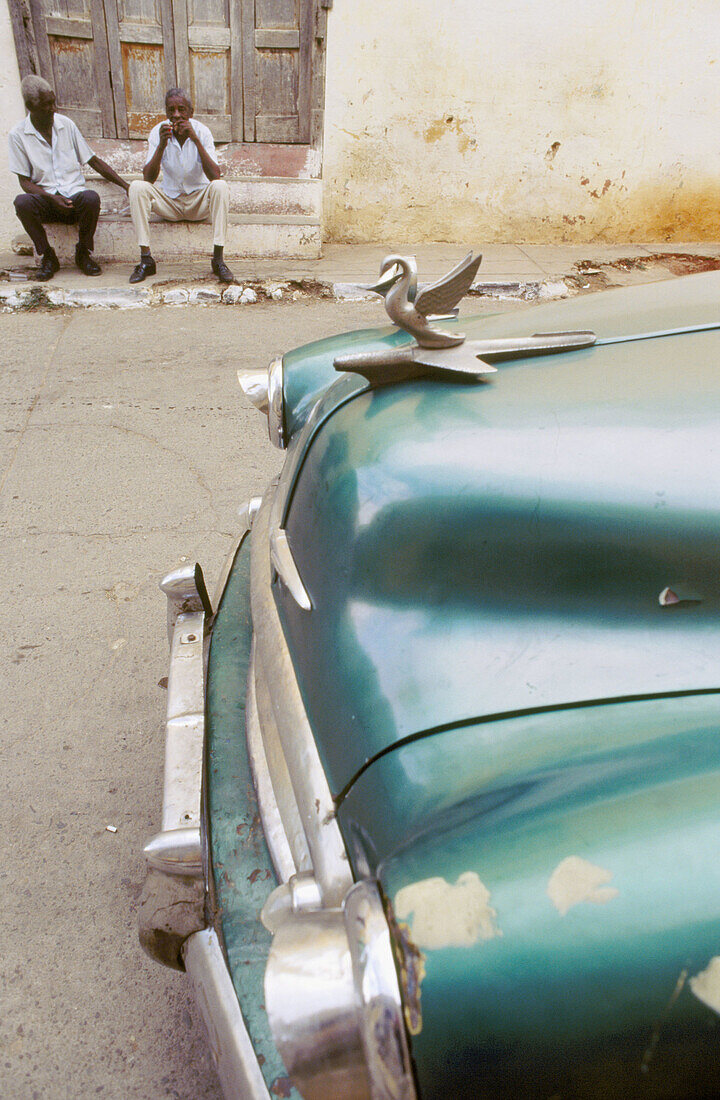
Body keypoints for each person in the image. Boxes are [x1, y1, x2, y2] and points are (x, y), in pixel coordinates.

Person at [8, 75, 130, 281]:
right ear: (30, 106)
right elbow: (25, 182)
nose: (53, 108)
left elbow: (93, 161)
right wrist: (50, 197)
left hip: (74, 200)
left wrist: (127, 186)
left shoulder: (66, 124)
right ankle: (47, 256)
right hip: (47, 203)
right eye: (46, 105)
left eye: (53, 102)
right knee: (21, 203)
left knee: (91, 198)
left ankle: (83, 254)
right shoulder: (17, 135)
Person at [128, 89, 233, 284]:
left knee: (220, 186)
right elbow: (148, 178)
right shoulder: (158, 132)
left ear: (191, 112)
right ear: (166, 112)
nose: (176, 115)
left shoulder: (202, 131)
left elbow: (214, 175)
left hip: (198, 204)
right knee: (136, 187)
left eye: (181, 109)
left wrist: (195, 139)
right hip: (171, 203)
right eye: (171, 110)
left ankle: (218, 259)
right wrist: (161, 145)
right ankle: (146, 259)